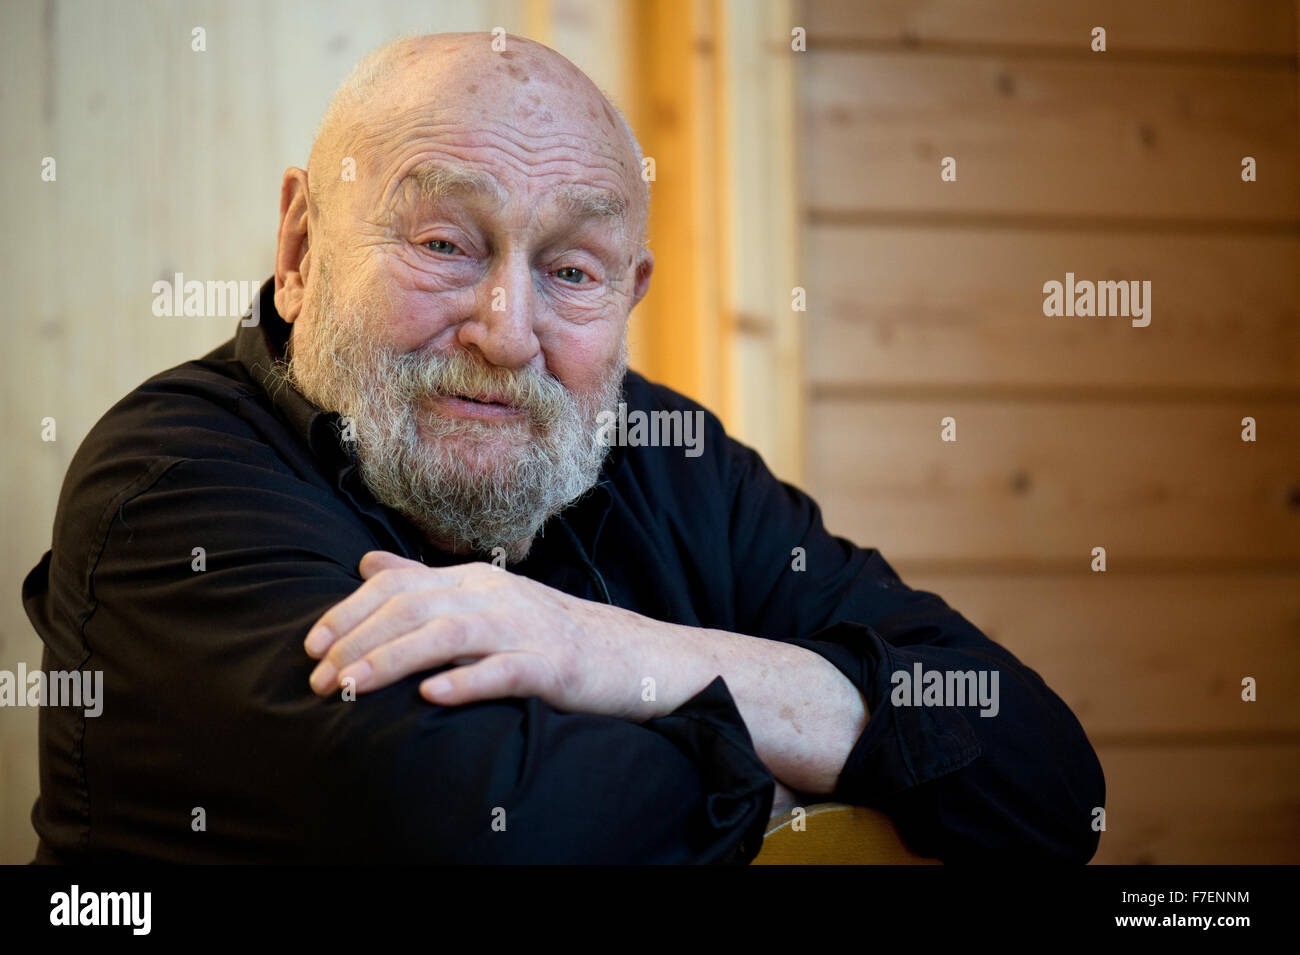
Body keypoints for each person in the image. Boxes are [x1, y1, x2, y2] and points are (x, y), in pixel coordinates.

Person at [22, 33, 1103, 864]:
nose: (507, 329)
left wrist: (622, 654)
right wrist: (806, 754)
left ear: (627, 294)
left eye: (572, 270)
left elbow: (1043, 778)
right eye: (446, 243)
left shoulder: (664, 454)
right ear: (301, 248)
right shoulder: (169, 488)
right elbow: (487, 836)